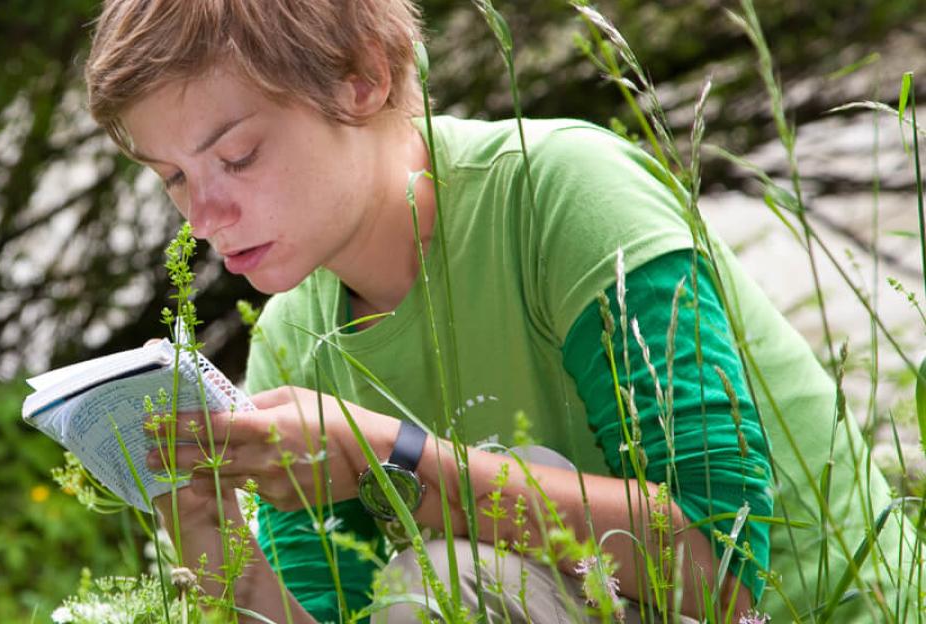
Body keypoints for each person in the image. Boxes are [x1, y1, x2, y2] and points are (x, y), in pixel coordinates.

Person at [82, 0, 914, 622]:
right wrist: (222, 560)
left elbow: (722, 562)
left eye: (237, 155)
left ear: (362, 78)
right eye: (175, 178)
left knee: (446, 585)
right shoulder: (298, 341)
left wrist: (396, 460)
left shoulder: (565, 194)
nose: (202, 216)